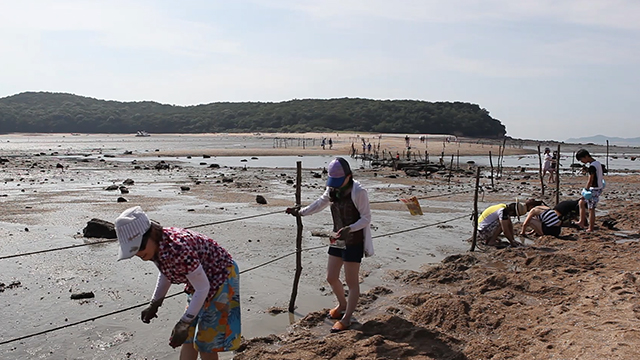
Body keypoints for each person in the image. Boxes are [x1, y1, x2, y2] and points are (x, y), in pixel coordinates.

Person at [114, 206, 241, 360]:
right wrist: (155, 303)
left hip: (221, 276)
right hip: (199, 280)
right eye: (133, 251)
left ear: (152, 233)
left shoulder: (178, 248)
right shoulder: (158, 247)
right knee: (187, 336)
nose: (139, 253)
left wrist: (184, 321)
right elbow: (166, 274)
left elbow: (203, 288)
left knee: (205, 340)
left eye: (140, 247)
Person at [285, 157, 372, 333]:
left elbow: (366, 218)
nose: (336, 185)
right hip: (338, 238)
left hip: (354, 240)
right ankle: (342, 304)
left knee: (351, 281)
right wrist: (300, 213)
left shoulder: (359, 192)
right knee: (331, 277)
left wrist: (351, 228)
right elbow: (320, 203)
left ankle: (347, 319)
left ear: (349, 176)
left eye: (340, 181)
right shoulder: (332, 190)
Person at [576, 149, 606, 232]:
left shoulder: (592, 167)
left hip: (594, 189)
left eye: (582, 159)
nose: (582, 162)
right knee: (581, 202)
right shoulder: (597, 163)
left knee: (591, 209)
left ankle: (591, 228)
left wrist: (586, 190)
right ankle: (581, 221)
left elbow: (590, 180)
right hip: (599, 187)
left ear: (586, 157)